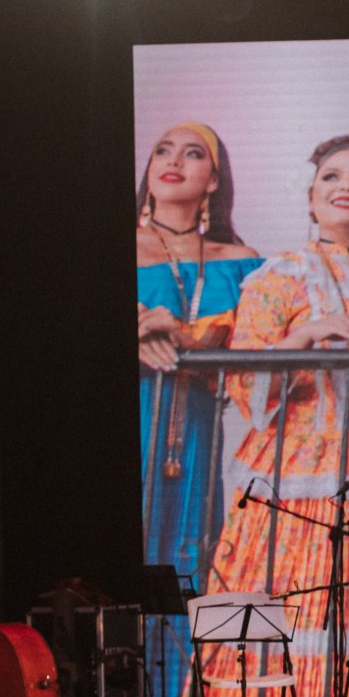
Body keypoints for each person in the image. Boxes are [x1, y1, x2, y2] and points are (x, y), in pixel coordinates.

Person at [201, 134, 349, 697]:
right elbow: (246, 386)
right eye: (332, 177)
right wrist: (308, 336)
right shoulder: (277, 275)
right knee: (280, 579)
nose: (347, 187)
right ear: (312, 196)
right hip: (292, 471)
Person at [134, 123, 261, 593]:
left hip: (200, 430)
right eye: (162, 151)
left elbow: (256, 343)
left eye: (191, 153)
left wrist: (182, 336)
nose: (173, 161)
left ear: (213, 180)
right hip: (139, 416)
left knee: (196, 555)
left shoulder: (241, 260)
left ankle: (187, 670)